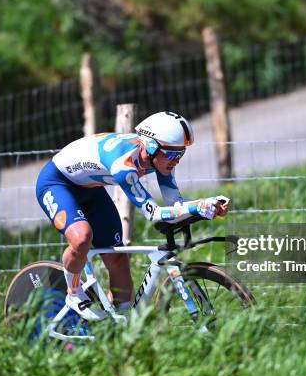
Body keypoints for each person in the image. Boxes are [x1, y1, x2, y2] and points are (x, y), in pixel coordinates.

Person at [35, 111, 230, 320]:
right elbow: (154, 214)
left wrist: (206, 205)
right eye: (173, 154)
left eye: (181, 154)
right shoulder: (124, 166)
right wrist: (196, 207)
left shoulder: (160, 159)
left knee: (117, 257)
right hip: (56, 183)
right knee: (82, 237)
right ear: (152, 147)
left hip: (90, 189)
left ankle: (121, 327)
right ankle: (73, 293)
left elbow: (175, 205)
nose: (177, 161)